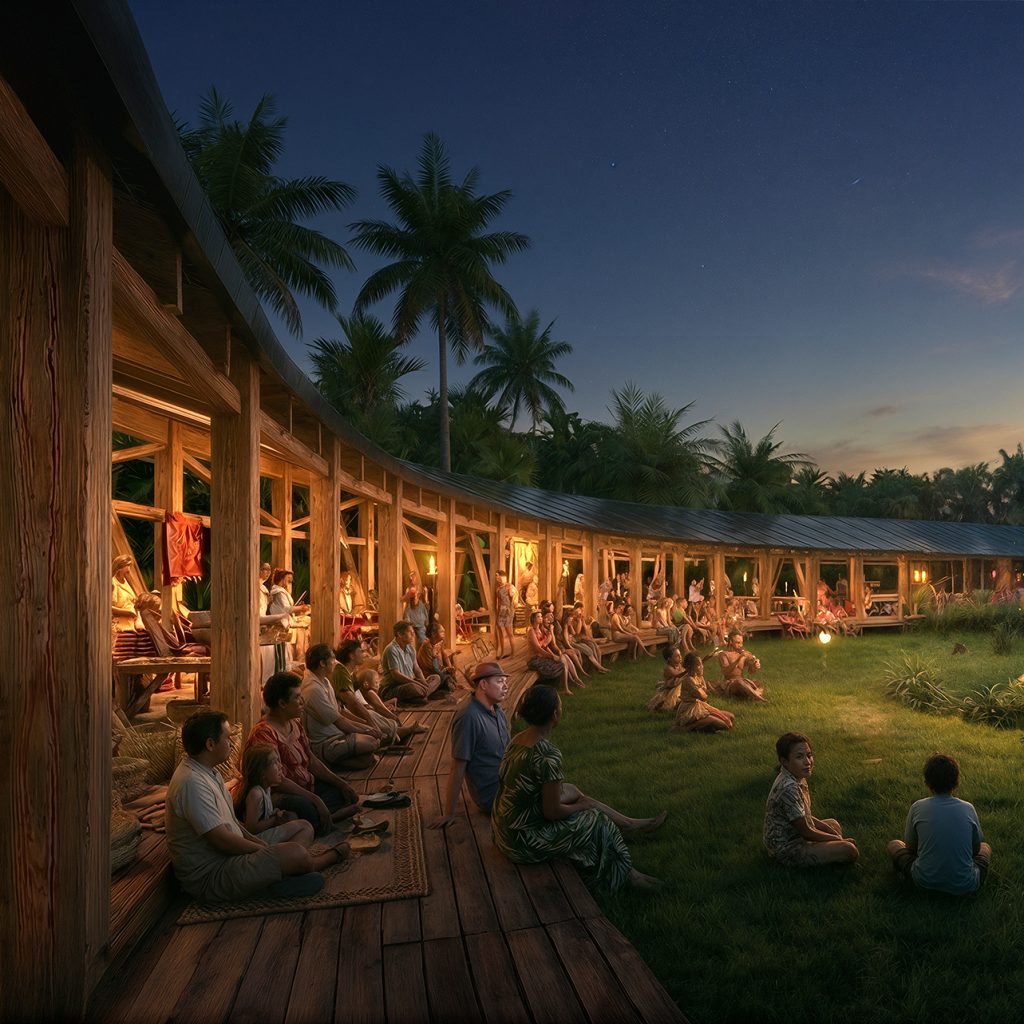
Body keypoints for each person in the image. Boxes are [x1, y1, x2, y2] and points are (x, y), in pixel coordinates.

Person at [491, 685, 665, 893]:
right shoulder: (547, 755)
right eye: (560, 706)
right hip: (523, 842)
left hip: (504, 829)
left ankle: (628, 825)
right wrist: (583, 807)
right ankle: (629, 875)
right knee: (596, 819)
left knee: (572, 790)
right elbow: (552, 812)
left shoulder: (518, 740)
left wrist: (581, 802)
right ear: (555, 714)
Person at [166, 710, 345, 903]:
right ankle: (323, 860)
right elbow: (223, 842)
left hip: (230, 856)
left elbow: (233, 824)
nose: (232, 742)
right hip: (214, 875)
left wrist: (264, 847)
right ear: (210, 744)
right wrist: (265, 851)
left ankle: (280, 876)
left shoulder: (210, 773)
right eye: (227, 738)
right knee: (296, 853)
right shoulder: (191, 783)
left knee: (303, 827)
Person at [246, 672, 360, 834]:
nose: (302, 702)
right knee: (305, 807)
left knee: (342, 792)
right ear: (282, 703)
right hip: (281, 794)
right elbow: (277, 781)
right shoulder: (264, 734)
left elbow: (311, 761)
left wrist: (341, 783)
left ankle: (322, 818)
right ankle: (324, 819)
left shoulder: (295, 724)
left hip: (306, 786)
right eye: (297, 697)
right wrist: (315, 799)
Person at [886, 753, 991, 895]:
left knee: (894, 844)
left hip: (923, 881)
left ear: (927, 782)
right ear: (956, 781)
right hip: (966, 884)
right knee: (985, 847)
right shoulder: (968, 808)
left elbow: (910, 847)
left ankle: (901, 880)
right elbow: (976, 849)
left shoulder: (917, 807)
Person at [431, 661, 511, 828]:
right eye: (499, 681)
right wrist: (449, 813)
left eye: (505, 681)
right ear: (483, 684)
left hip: (509, 782)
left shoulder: (497, 710)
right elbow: (457, 766)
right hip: (493, 795)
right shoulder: (469, 717)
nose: (505, 686)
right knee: (554, 798)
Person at [763, 732, 858, 867]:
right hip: (788, 849)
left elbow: (804, 817)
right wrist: (838, 840)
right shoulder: (789, 788)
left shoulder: (796, 776)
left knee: (833, 824)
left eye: (809, 755)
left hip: (798, 836)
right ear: (785, 761)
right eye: (799, 757)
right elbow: (806, 831)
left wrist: (833, 835)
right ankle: (832, 859)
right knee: (849, 850)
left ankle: (830, 853)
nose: (808, 762)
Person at [300, 643, 380, 769]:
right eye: (332, 659)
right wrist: (367, 730)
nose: (335, 662)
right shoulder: (313, 689)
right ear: (322, 663)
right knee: (371, 743)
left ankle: (338, 761)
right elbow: (340, 722)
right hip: (325, 743)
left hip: (337, 735)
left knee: (369, 749)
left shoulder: (325, 681)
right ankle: (325, 761)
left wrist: (368, 728)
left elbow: (340, 713)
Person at [332, 639, 425, 746]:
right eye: (361, 651)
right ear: (352, 655)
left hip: (350, 710)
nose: (364, 654)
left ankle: (398, 732)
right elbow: (352, 703)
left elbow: (358, 697)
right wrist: (369, 720)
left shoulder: (349, 672)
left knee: (372, 710)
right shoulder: (341, 672)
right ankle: (401, 732)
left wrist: (371, 707)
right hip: (341, 714)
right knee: (371, 716)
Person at [234, 745, 309, 842]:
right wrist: (274, 820)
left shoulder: (267, 788)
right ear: (262, 772)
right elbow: (251, 829)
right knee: (306, 828)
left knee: (295, 818)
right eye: (274, 762)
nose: (280, 766)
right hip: (255, 839)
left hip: (262, 833)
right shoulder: (256, 794)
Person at [380, 620, 442, 704]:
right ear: (399, 634)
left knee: (436, 678)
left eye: (413, 632)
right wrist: (416, 683)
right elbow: (396, 675)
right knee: (412, 687)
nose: (413, 635)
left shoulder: (410, 648)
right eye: (410, 632)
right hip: (394, 687)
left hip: (411, 682)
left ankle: (421, 696)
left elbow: (416, 668)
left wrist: (423, 682)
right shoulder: (391, 649)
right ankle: (423, 695)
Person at [671, 652, 735, 733]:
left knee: (731, 717)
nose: (702, 667)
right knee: (724, 725)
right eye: (698, 665)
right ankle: (690, 727)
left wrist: (702, 678)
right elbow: (703, 696)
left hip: (700, 706)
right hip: (691, 710)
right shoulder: (689, 680)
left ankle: (706, 728)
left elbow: (704, 694)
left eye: (701, 664)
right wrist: (705, 692)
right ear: (690, 667)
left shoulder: (698, 677)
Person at [527, 610, 579, 694]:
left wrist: (552, 655)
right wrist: (552, 656)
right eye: (538, 617)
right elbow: (538, 648)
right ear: (533, 619)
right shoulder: (531, 631)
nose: (541, 618)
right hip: (534, 659)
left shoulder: (541, 630)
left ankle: (567, 687)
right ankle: (564, 687)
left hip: (541, 657)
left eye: (541, 616)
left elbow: (545, 646)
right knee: (561, 664)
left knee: (563, 660)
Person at [715, 631, 766, 701]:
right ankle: (758, 697)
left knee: (757, 682)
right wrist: (738, 659)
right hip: (730, 683)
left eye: (741, 643)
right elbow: (725, 672)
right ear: (730, 642)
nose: (740, 645)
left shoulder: (741, 653)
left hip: (742, 681)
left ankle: (749, 695)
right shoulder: (723, 654)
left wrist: (755, 665)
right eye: (738, 642)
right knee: (739, 682)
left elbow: (751, 671)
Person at [564, 604, 609, 673]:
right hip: (578, 641)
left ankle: (599, 666)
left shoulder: (577, 620)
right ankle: (598, 667)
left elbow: (586, 632)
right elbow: (577, 632)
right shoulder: (572, 622)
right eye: (579, 611)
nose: (581, 613)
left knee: (596, 648)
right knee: (592, 647)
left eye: (581, 611)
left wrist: (583, 622)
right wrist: (579, 621)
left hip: (580, 639)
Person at [417, 622, 458, 692]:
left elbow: (445, 656)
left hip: (440, 669)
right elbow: (432, 668)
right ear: (433, 634)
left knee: (453, 656)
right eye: (441, 632)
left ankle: (449, 681)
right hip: (431, 674)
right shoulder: (426, 646)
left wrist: (449, 667)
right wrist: (445, 670)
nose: (444, 633)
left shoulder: (439, 643)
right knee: (440, 678)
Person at [646, 645, 685, 712]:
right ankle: (662, 705)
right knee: (669, 705)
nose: (680, 657)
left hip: (679, 690)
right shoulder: (668, 668)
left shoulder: (679, 665)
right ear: (669, 659)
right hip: (671, 692)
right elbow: (679, 675)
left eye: (680, 655)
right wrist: (688, 669)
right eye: (677, 656)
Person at [111, 554, 140, 632]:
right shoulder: (112, 583)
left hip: (131, 625)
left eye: (130, 566)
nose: (129, 570)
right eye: (128, 566)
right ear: (120, 567)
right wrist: (128, 612)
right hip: (119, 627)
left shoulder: (127, 582)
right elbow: (108, 608)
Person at [494, 570, 517, 660]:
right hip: (501, 611)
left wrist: (513, 599)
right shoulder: (498, 588)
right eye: (496, 576)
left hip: (508, 610)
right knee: (500, 631)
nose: (497, 578)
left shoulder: (510, 586)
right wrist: (497, 611)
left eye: (498, 576)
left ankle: (513, 653)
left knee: (509, 632)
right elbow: (498, 601)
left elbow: (515, 598)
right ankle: (502, 652)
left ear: (502, 576)